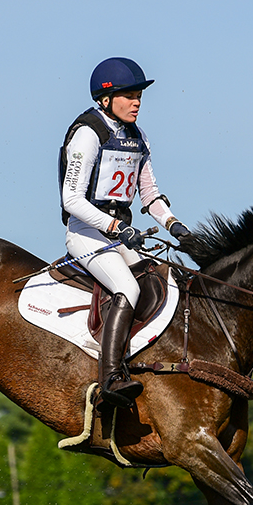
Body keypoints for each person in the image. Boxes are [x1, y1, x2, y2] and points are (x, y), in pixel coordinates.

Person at [59, 57, 193, 408]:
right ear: (106, 99)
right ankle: (110, 379)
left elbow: (149, 192)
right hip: (86, 233)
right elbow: (71, 199)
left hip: (119, 235)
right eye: (129, 96)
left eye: (139, 96)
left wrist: (175, 226)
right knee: (128, 287)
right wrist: (116, 226)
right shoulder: (88, 134)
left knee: (159, 281)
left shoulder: (137, 136)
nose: (137, 102)